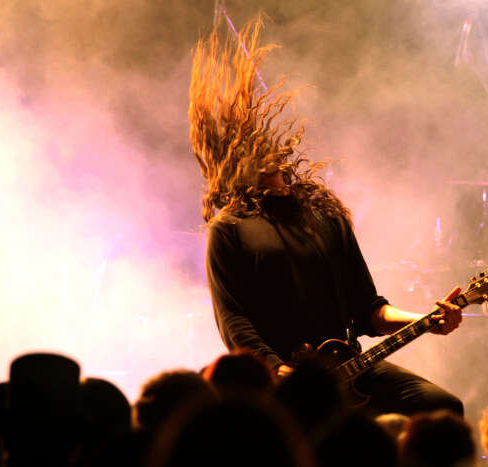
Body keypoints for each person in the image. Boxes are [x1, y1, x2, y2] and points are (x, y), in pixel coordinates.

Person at [188, 17, 463, 416]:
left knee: (440, 406)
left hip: (348, 367)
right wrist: (278, 371)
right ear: (234, 159)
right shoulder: (230, 228)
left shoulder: (324, 214)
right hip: (283, 380)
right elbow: (236, 326)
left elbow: (370, 308)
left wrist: (428, 319)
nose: (265, 146)